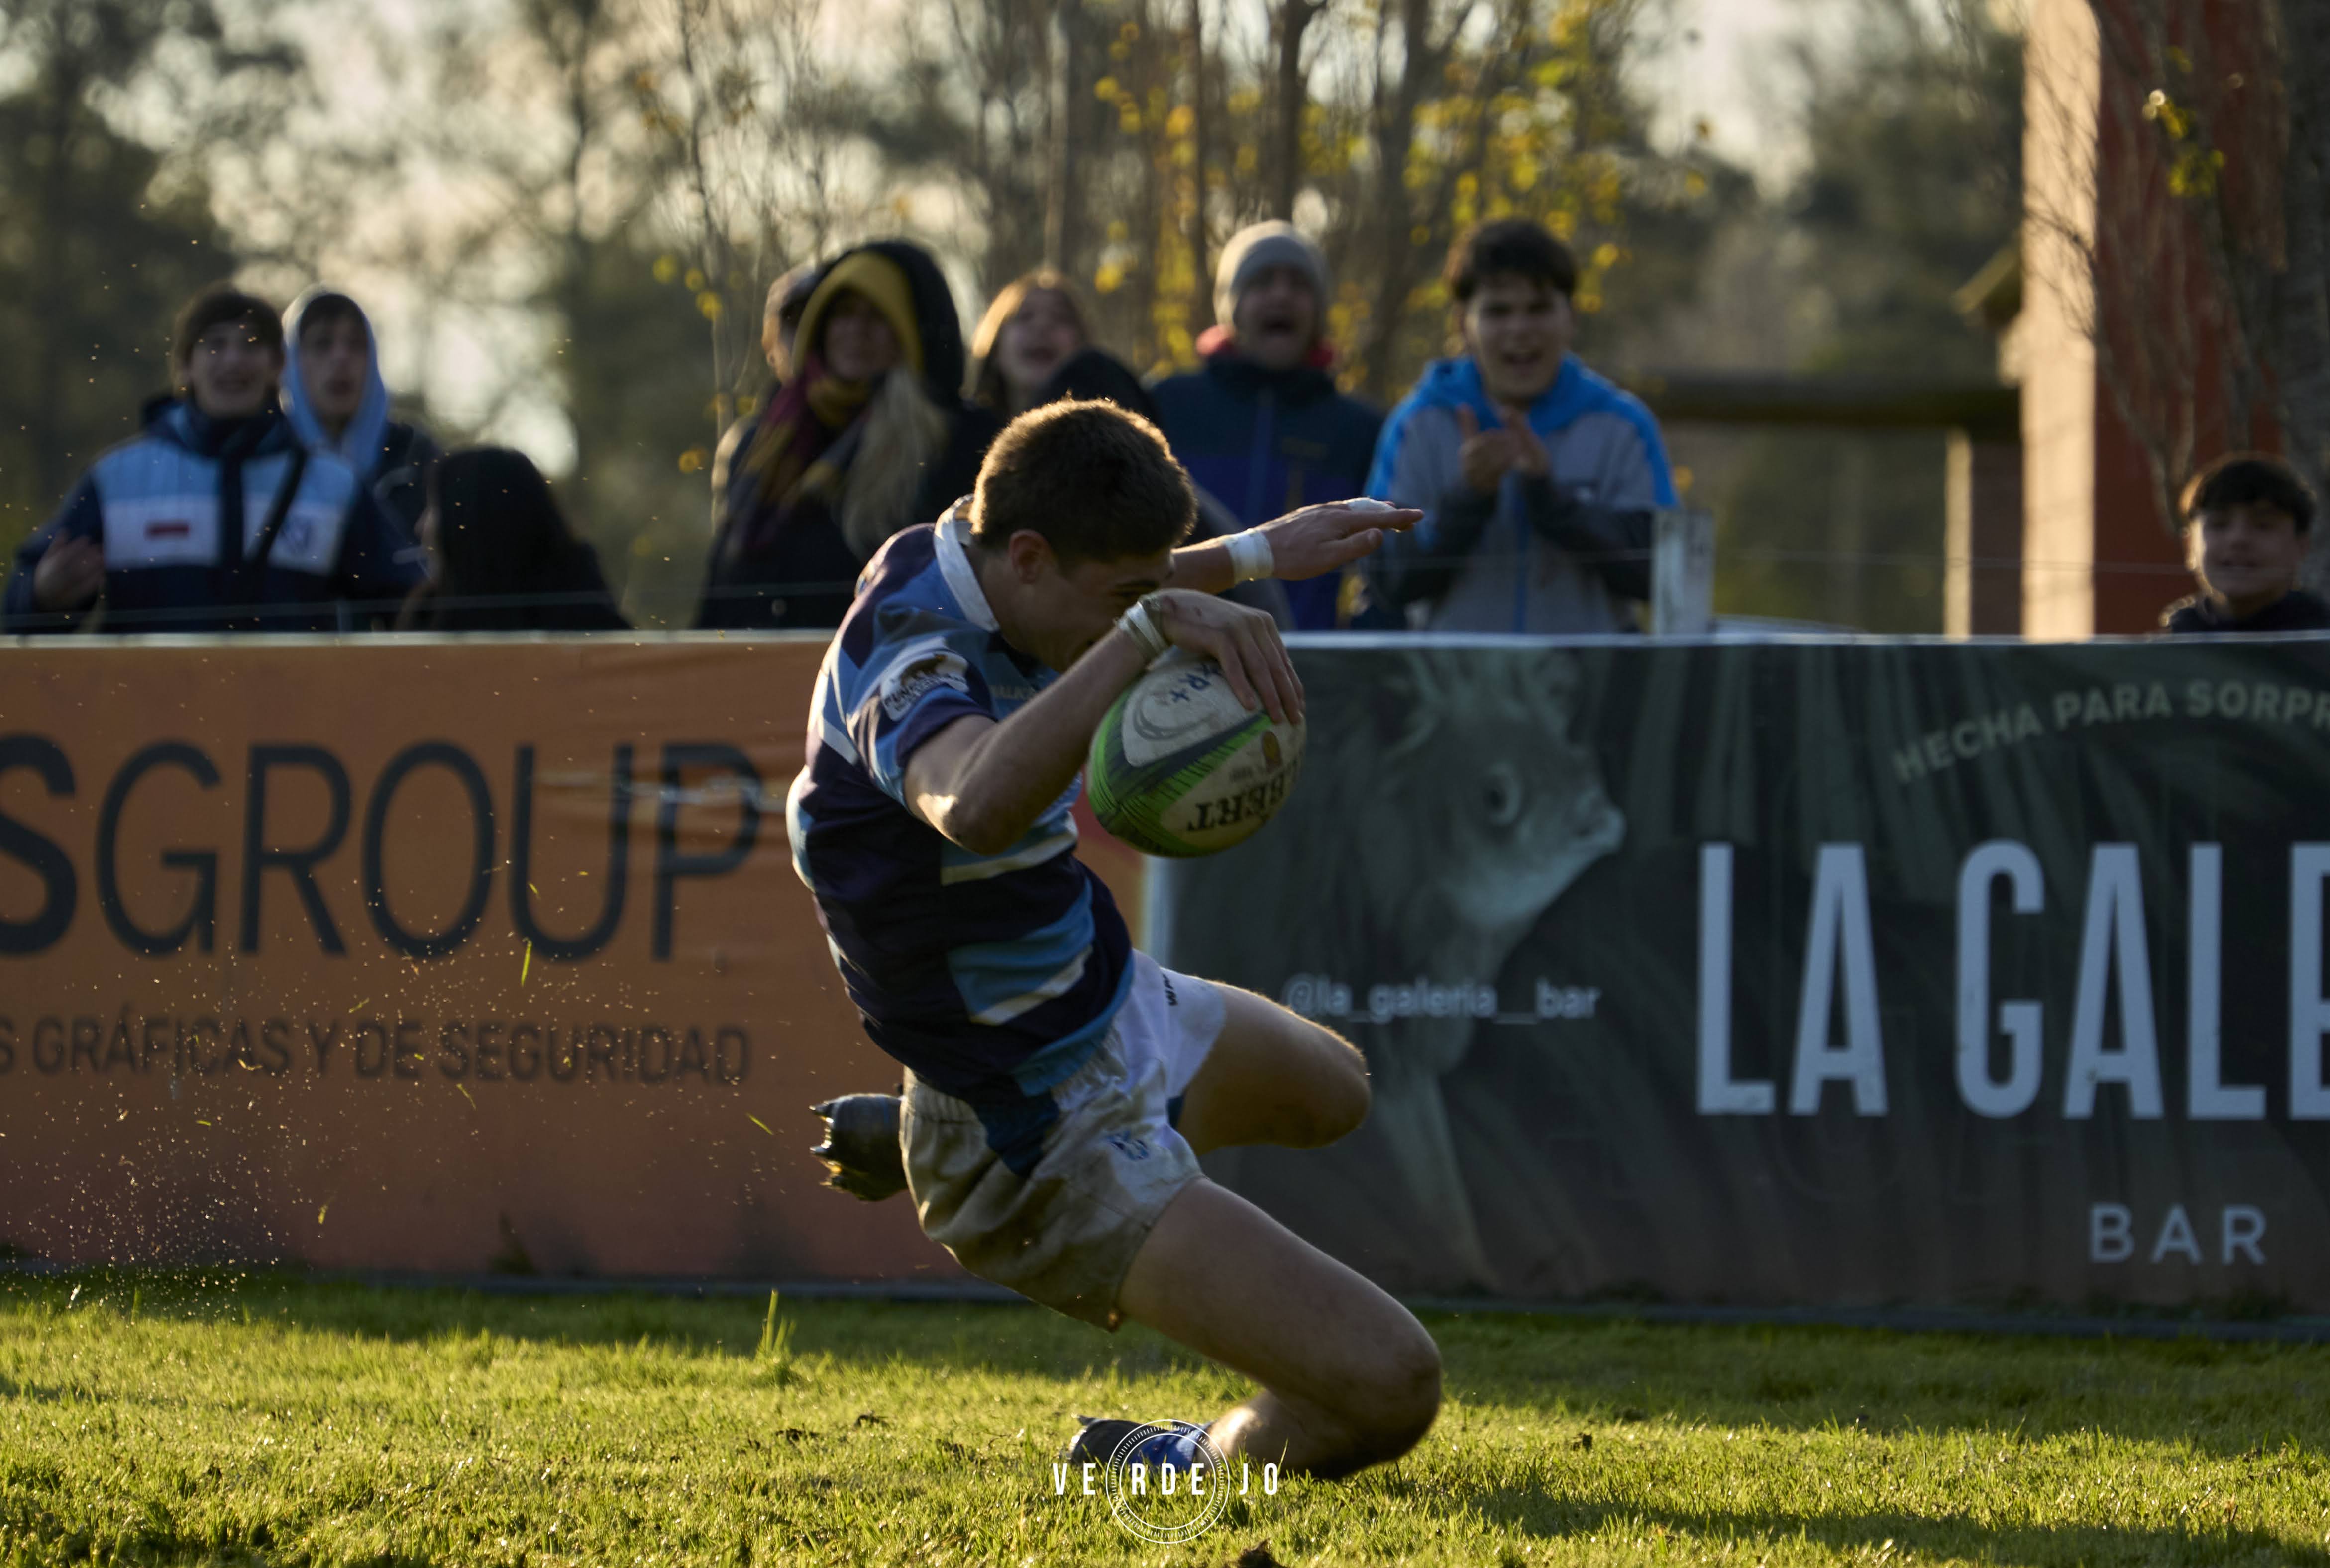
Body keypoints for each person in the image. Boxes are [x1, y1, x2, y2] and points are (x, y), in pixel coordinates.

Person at [788, 398, 1437, 1480]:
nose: (1149, 612)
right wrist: (1147, 628)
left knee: (1337, 1090)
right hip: (1030, 1120)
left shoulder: (984, 550)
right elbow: (978, 803)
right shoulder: (909, 657)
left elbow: (1105, 578)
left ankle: (918, 1126)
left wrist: (1263, 552)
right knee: (1387, 1389)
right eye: (1128, 600)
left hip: (1102, 995)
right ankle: (1174, 1454)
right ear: (1030, 559)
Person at [2, 284, 421, 634]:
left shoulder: (335, 485)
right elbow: (17, 612)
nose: (234, 360)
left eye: (251, 345)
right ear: (184, 366)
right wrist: (40, 597)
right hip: (146, 727)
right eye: (215, 345)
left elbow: (412, 606)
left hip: (289, 727)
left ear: (278, 366)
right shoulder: (117, 478)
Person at [1367, 218, 1678, 633]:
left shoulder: (1624, 426)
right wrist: (1468, 498)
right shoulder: (1417, 425)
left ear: (1571, 318)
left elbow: (1663, 577)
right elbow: (1386, 581)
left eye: (1539, 308)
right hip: (1452, 693)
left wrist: (1552, 501)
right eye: (1498, 311)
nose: (1520, 329)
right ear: (1463, 324)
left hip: (1592, 694)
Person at [695, 241, 1002, 630]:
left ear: (907, 331)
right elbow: (720, 590)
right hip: (749, 676)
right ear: (820, 327)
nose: (857, 331)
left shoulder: (954, 441)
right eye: (843, 314)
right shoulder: (766, 442)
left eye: (877, 317)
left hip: (885, 680)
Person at [1150, 222, 1386, 630]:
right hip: (1174, 657)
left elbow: (1389, 574)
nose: (1281, 294)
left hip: (1303, 670)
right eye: (1261, 282)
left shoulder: (1359, 428)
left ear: (1319, 311)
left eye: (1299, 284)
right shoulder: (1166, 404)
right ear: (1230, 305)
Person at [395, 447, 629, 632]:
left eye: (435, 507)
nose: (421, 527)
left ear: (474, 523)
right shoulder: (425, 620)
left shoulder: (591, 640)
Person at [281, 286, 440, 539]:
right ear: (290, 361)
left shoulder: (413, 458)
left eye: (357, 345)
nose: (342, 358)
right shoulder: (265, 455)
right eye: (322, 344)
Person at [2158, 452, 2328, 632]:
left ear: (2301, 546)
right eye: (2219, 525)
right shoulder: (2167, 651)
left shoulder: (2321, 642)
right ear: (2189, 545)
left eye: (2263, 526)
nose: (2238, 539)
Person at [968, 270, 1091, 417]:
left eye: (1059, 316)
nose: (1042, 326)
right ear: (996, 347)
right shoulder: (954, 432)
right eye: (1025, 316)